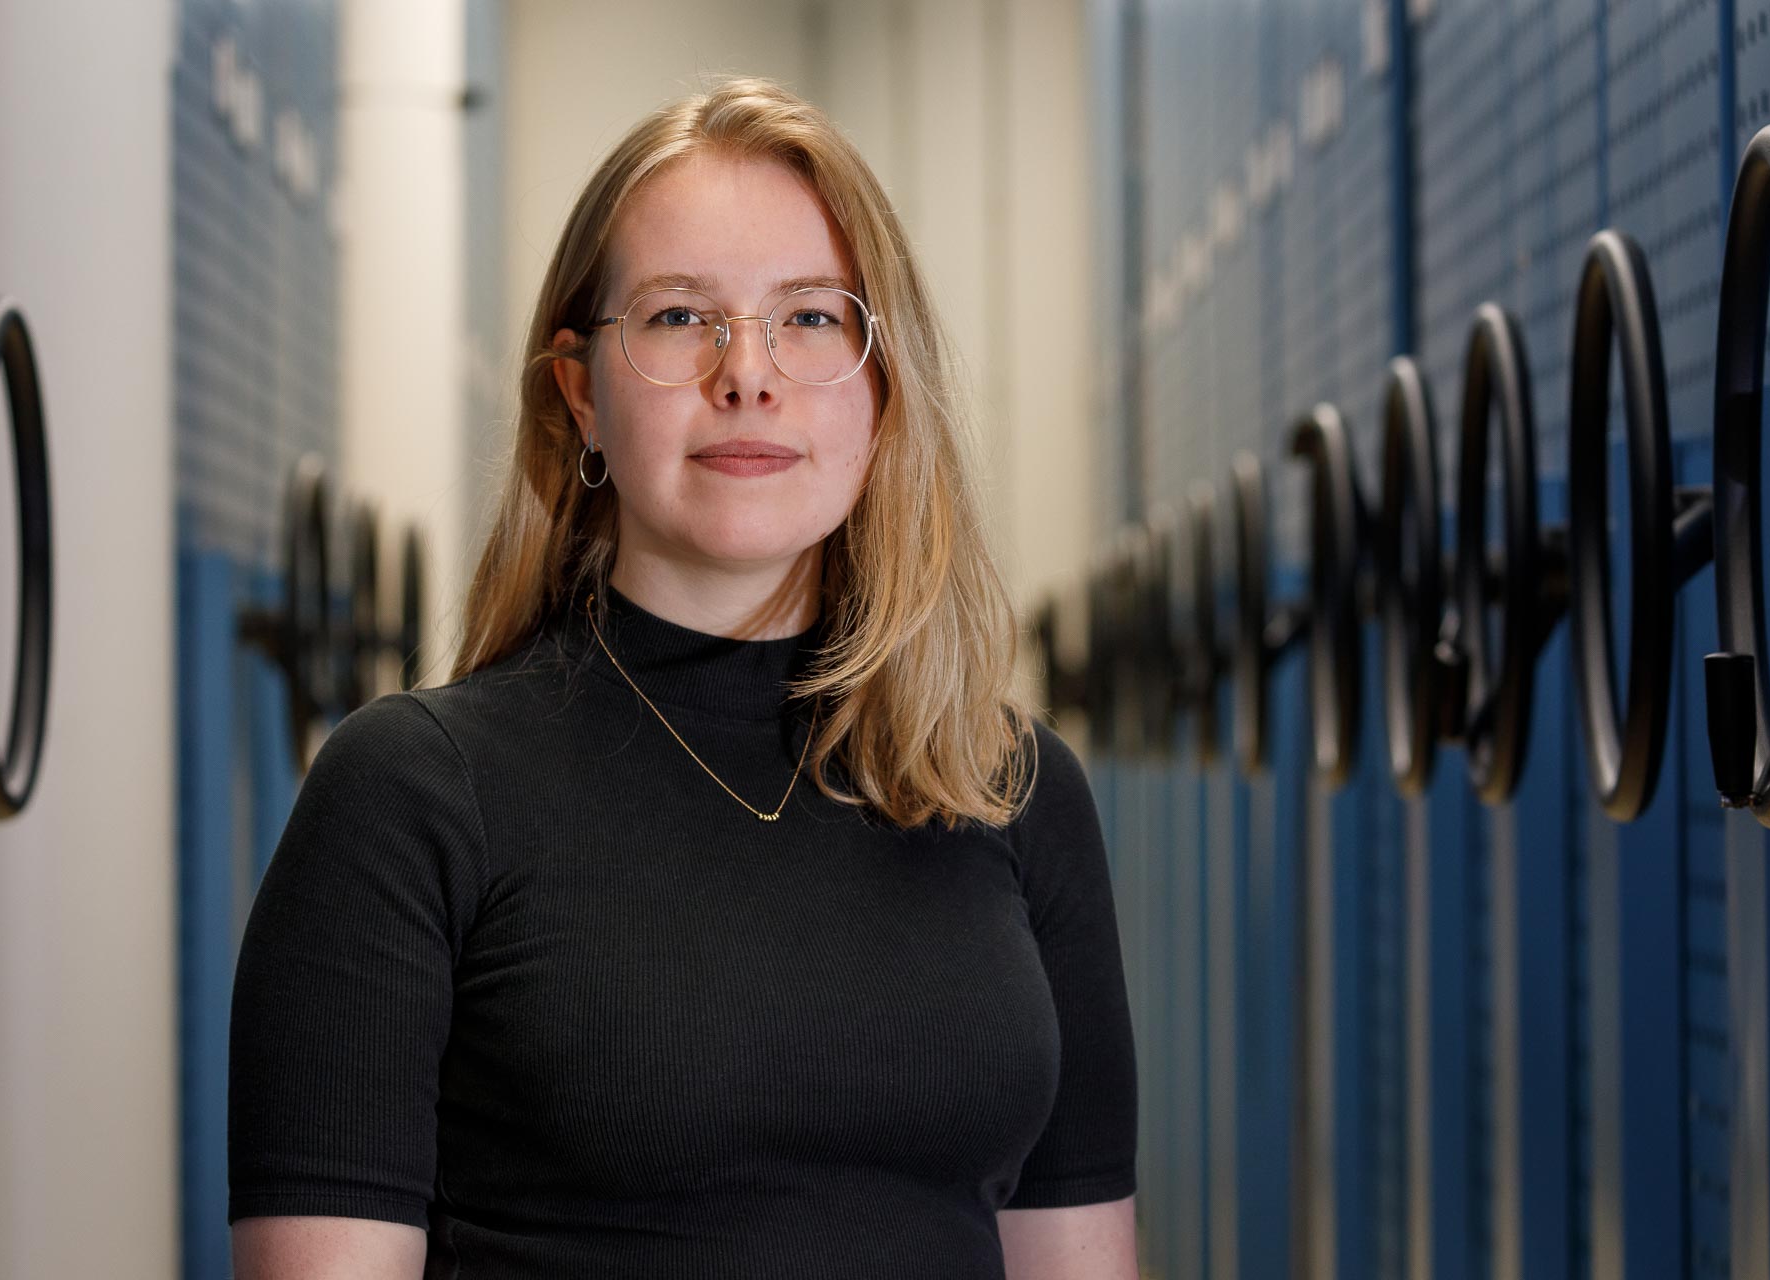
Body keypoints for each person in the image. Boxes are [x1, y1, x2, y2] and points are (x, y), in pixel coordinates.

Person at [226, 76, 1139, 1279]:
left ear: (882, 386)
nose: (747, 373)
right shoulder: (410, 796)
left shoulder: (1010, 788)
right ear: (578, 396)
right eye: (676, 318)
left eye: (811, 317)